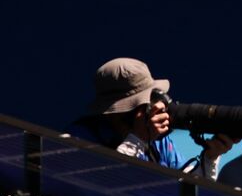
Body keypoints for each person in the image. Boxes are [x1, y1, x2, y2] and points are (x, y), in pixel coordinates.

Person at [69, 57, 233, 178]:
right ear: (118, 112)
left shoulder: (158, 140)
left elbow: (186, 193)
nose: (150, 107)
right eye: (142, 103)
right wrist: (138, 139)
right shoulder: (79, 138)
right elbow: (101, 188)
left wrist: (211, 158)